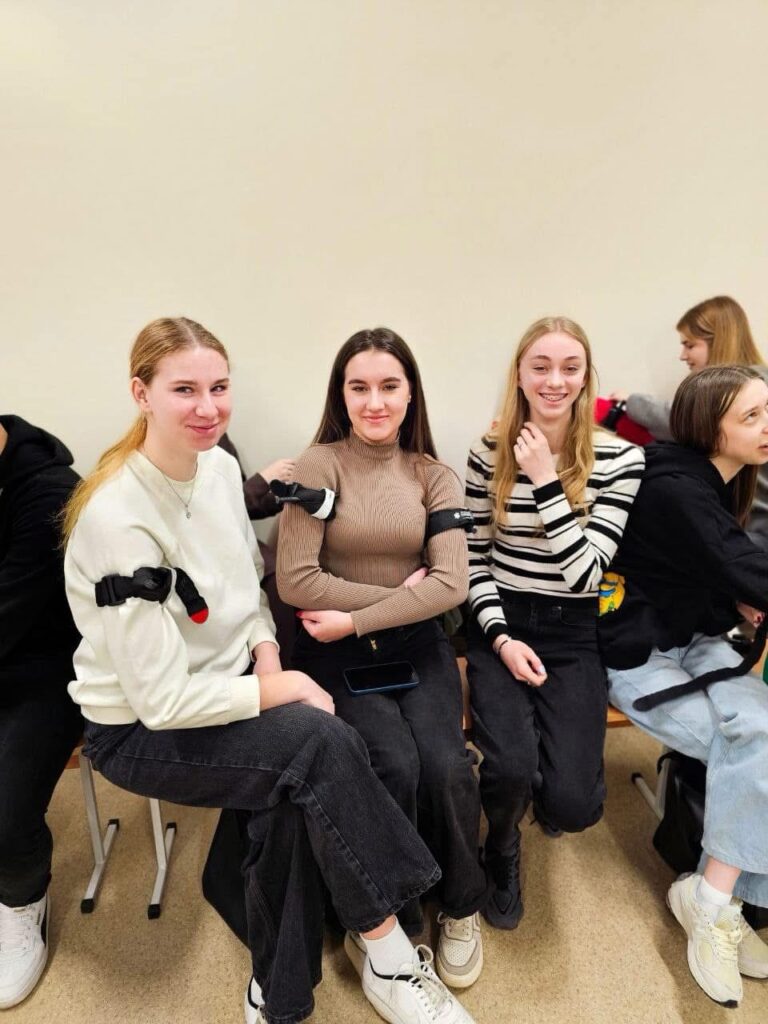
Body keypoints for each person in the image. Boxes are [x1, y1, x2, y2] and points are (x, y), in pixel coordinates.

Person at [61, 316, 476, 1024]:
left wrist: (269, 654)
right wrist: (281, 688)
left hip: (229, 684)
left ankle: (278, 996)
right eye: (184, 389)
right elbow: (160, 703)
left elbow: (249, 591)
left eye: (219, 387)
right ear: (141, 393)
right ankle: (390, 949)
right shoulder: (117, 519)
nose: (207, 408)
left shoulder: (219, 469)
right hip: (138, 729)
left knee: (292, 796)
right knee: (324, 744)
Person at [276, 327, 487, 991]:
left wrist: (360, 614)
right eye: (359, 387)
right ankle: (395, 919)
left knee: (446, 765)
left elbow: (452, 586)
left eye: (389, 386)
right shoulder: (317, 467)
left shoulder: (435, 475)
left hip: (411, 644)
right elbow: (295, 581)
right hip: (332, 648)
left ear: (410, 393)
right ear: (340, 395)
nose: (375, 401)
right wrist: (400, 598)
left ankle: (462, 904)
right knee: (390, 762)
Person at [464, 316, 644, 929]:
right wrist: (500, 639)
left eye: (570, 368)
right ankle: (501, 845)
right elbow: (474, 561)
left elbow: (585, 575)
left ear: (587, 376)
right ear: (519, 375)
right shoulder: (486, 452)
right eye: (540, 367)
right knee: (509, 768)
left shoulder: (622, 459)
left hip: (573, 629)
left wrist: (545, 479)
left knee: (573, 807)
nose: (554, 381)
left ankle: (545, 775)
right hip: (503, 621)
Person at [599, 364, 768, 1008]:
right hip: (638, 653)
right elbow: (737, 559)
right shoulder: (676, 487)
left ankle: (710, 898)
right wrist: (743, 589)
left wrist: (738, 601)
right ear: (709, 428)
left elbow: (706, 567)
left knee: (760, 734)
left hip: (696, 637)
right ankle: (719, 904)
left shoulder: (715, 479)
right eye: (751, 416)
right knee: (752, 747)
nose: (767, 425)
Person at [0, 415, 82, 1009]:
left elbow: (10, 610)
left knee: (6, 810)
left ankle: (20, 900)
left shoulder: (50, 491)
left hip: (48, 672)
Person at [611, 295, 768, 548]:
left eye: (690, 345)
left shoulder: (752, 385)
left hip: (756, 532)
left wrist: (632, 401)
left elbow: (680, 419)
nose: (683, 356)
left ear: (719, 340)